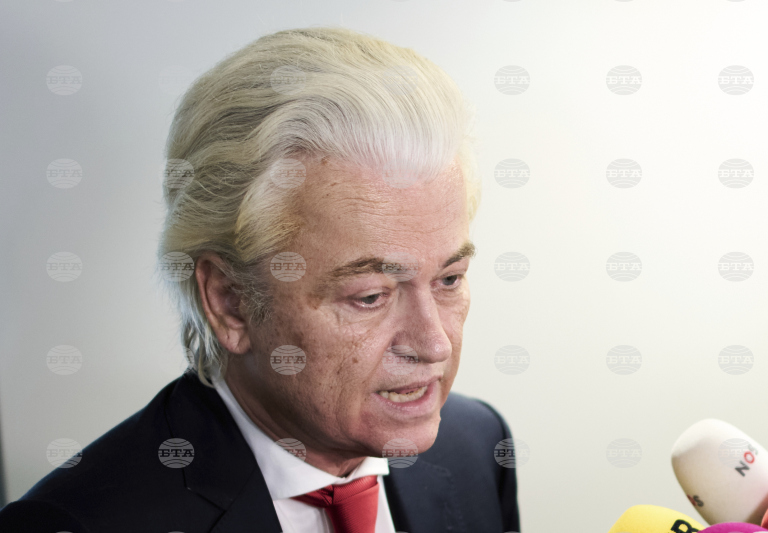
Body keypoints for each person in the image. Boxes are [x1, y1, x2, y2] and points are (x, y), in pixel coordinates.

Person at [0, 26, 521, 533]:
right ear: (229, 301)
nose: (434, 344)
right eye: (370, 296)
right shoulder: (76, 523)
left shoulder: (478, 446)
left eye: (449, 280)